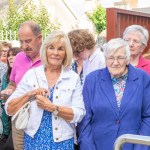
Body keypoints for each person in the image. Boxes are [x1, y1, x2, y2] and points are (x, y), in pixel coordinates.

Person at [5, 31, 85, 149]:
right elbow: (9, 109)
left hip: (62, 142)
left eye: (60, 49)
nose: (55, 53)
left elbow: (79, 114)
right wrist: (29, 95)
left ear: (66, 53)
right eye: (51, 48)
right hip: (34, 140)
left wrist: (52, 107)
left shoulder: (73, 78)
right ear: (45, 50)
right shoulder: (32, 74)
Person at [77, 38, 150, 150]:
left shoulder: (142, 78)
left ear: (127, 59)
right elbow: (84, 120)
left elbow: (147, 116)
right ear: (105, 59)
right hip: (98, 145)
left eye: (120, 58)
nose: (115, 62)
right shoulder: (92, 80)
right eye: (111, 58)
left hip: (131, 145)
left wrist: (140, 147)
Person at [1, 21, 42, 150]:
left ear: (40, 38)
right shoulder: (19, 57)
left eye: (28, 41)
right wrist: (8, 90)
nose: (24, 46)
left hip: (41, 119)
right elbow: (13, 83)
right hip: (20, 118)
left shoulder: (50, 58)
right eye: (21, 42)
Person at [0, 47, 22, 150]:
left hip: (18, 115)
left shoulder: (24, 74)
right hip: (5, 116)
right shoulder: (6, 75)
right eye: (9, 55)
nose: (10, 58)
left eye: (14, 55)